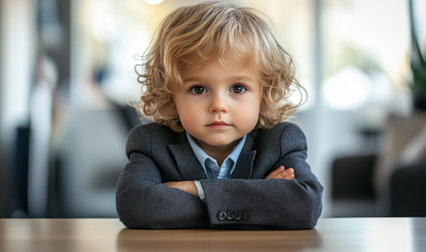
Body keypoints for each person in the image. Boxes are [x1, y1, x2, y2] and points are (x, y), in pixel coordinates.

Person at [116, 1, 323, 229]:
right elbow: (135, 205)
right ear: (170, 96)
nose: (218, 105)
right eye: (198, 89)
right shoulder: (151, 142)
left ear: (264, 96)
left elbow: (305, 205)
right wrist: (262, 200)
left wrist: (197, 189)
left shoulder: (281, 141)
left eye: (237, 88)